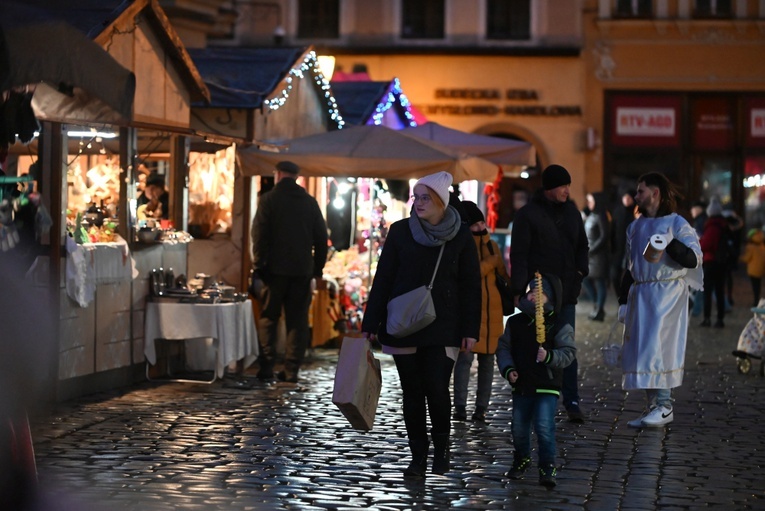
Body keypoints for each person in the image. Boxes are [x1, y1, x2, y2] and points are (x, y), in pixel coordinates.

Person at [361, 171, 481, 478]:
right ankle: (418, 456)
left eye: (425, 197)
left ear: (441, 200)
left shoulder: (461, 235)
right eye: (416, 197)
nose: (418, 203)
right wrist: (370, 322)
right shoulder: (400, 232)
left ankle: (441, 450)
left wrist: (471, 330)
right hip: (403, 324)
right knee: (412, 392)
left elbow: (470, 285)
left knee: (437, 389)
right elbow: (384, 278)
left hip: (445, 325)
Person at [618, 172, 702, 428]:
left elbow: (693, 258)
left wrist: (671, 244)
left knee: (659, 348)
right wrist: (623, 299)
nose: (636, 196)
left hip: (667, 295)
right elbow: (629, 266)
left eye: (641, 191)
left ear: (655, 193)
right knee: (643, 349)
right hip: (642, 292)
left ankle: (664, 405)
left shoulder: (677, 224)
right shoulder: (634, 227)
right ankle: (654, 405)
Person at [510, 164, 589, 423]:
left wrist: (579, 275)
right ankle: (536, 396)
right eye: (562, 186)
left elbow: (582, 247)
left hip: (566, 292)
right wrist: (518, 290)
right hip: (539, 292)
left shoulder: (572, 213)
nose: (567, 190)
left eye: (568, 185)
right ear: (549, 188)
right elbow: (520, 255)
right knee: (536, 344)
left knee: (566, 344)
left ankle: (572, 399)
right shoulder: (528, 215)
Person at [250, 161, 329, 383]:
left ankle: (266, 367)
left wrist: (259, 265)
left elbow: (259, 235)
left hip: (273, 271)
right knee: (297, 321)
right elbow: (321, 240)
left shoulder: (269, 200)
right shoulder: (309, 202)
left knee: (269, 318)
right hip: (302, 271)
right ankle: (291, 369)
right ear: (296, 177)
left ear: (278, 175)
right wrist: (317, 270)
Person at [496, 273, 576, 488]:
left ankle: (547, 466)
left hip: (546, 386)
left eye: (538, 293)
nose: (533, 296)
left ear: (550, 297)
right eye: (530, 292)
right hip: (522, 385)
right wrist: (508, 369)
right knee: (519, 428)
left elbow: (568, 353)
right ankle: (521, 458)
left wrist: (549, 357)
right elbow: (504, 348)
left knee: (543, 426)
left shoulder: (559, 324)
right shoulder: (515, 322)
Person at [452, 200, 509, 423]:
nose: (481, 227)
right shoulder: (463, 246)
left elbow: (502, 276)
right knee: (464, 362)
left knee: (487, 365)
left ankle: (481, 408)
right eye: (476, 223)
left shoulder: (492, 246)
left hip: (492, 315)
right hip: (471, 314)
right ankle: (460, 407)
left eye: (482, 222)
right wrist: (491, 263)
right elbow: (470, 274)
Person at [699, 199, 728, 328]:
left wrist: (699, 242)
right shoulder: (723, 224)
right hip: (722, 262)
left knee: (708, 292)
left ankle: (707, 318)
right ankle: (720, 319)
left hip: (711, 262)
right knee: (720, 291)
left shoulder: (711, 226)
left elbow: (706, 245)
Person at [582, 192, 610, 321]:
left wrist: (591, 250)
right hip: (590, 255)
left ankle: (599, 310)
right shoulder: (591, 215)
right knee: (585, 279)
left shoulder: (601, 216)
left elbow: (604, 236)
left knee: (599, 282)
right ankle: (596, 306)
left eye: (591, 201)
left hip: (598, 256)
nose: (589, 204)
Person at [610, 188, 636, 295]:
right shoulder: (618, 211)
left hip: (632, 251)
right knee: (614, 276)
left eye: (629, 198)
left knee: (630, 277)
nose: (626, 200)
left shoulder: (636, 212)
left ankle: (629, 301)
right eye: (625, 197)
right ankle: (621, 298)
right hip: (619, 250)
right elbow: (612, 230)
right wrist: (612, 247)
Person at [740, 228, 765, 307]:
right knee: (759, 285)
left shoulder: (750, 247)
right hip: (761, 269)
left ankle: (756, 301)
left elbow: (747, 258)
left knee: (755, 286)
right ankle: (758, 300)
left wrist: (740, 258)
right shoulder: (762, 246)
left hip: (753, 270)